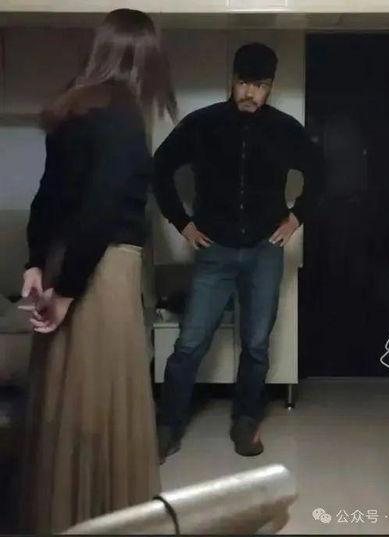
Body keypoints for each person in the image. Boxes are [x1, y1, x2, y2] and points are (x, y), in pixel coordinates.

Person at [19, 9, 177, 533]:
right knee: (102, 406)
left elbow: (49, 196)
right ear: (145, 58)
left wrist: (36, 263)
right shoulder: (123, 114)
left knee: (63, 404)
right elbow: (103, 207)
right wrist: (67, 292)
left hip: (65, 258)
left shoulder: (72, 106)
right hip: (101, 270)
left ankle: (60, 516)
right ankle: (107, 521)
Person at [154, 42, 323, 460]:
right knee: (191, 342)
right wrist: (182, 222)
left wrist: (297, 217)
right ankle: (167, 425)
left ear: (271, 86)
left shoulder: (284, 129)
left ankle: (246, 420)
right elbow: (159, 168)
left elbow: (320, 172)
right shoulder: (203, 124)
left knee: (256, 344)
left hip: (265, 249)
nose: (251, 93)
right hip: (214, 250)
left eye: (260, 85)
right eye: (244, 82)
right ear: (232, 80)